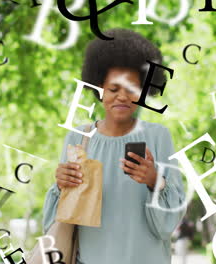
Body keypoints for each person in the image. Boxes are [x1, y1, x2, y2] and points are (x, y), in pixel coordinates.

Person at [42, 28, 186, 264]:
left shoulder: (159, 136)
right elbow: (55, 223)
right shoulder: (78, 137)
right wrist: (61, 186)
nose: (122, 97)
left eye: (131, 89)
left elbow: (168, 225)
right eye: (113, 89)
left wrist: (154, 181)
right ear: (99, 90)